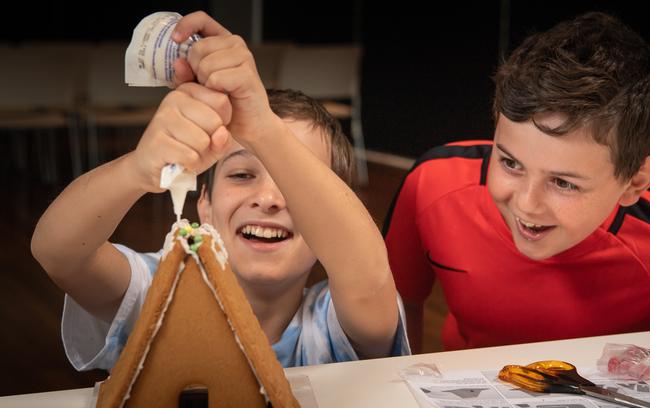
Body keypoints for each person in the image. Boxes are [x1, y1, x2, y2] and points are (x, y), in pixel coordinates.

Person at [31, 12, 409, 371]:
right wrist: (136, 169)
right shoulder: (159, 293)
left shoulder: (334, 325)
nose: (268, 198)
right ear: (205, 206)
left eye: (294, 182)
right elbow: (59, 253)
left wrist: (263, 128)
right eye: (243, 174)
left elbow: (368, 273)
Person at [383, 12, 650, 353]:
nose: (526, 204)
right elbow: (396, 304)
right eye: (510, 163)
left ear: (634, 182)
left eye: (564, 183)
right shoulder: (432, 184)